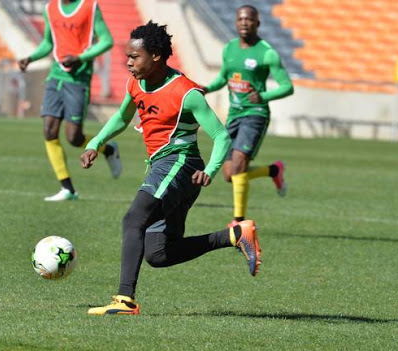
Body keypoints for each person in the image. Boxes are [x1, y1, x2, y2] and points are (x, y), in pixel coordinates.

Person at [80, 21, 262, 315]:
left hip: (180, 164)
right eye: (127, 56)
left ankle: (125, 300)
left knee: (133, 219)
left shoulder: (186, 92)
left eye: (134, 57)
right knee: (159, 253)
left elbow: (221, 136)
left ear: (156, 56)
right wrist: (95, 143)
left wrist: (212, 170)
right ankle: (235, 235)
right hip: (165, 167)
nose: (128, 62)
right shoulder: (135, 84)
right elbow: (122, 118)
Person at [17, 0, 122, 202]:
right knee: (49, 130)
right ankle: (68, 189)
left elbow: (107, 40)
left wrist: (80, 58)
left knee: (74, 138)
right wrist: (30, 58)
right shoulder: (50, 8)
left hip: (78, 79)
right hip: (56, 76)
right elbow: (49, 42)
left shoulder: (89, 7)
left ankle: (109, 149)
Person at [202, 5, 294, 226]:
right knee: (228, 174)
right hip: (234, 115)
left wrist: (262, 95)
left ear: (258, 23)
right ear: (236, 22)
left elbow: (287, 87)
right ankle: (273, 170)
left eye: (249, 19)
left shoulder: (266, 52)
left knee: (238, 166)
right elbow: (224, 77)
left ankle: (238, 221)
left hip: (255, 114)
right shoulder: (230, 48)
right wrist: (206, 88)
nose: (244, 22)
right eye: (241, 19)